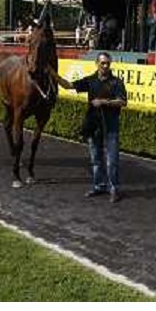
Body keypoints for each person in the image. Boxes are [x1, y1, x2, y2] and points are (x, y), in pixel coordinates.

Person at [50, 52, 127, 203]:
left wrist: (104, 102)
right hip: (93, 126)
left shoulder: (117, 82)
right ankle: (99, 186)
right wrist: (53, 74)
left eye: (107, 63)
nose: (105, 66)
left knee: (112, 161)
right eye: (102, 63)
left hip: (111, 127)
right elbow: (68, 85)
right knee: (95, 159)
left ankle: (114, 189)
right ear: (97, 64)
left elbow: (123, 102)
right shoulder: (90, 80)